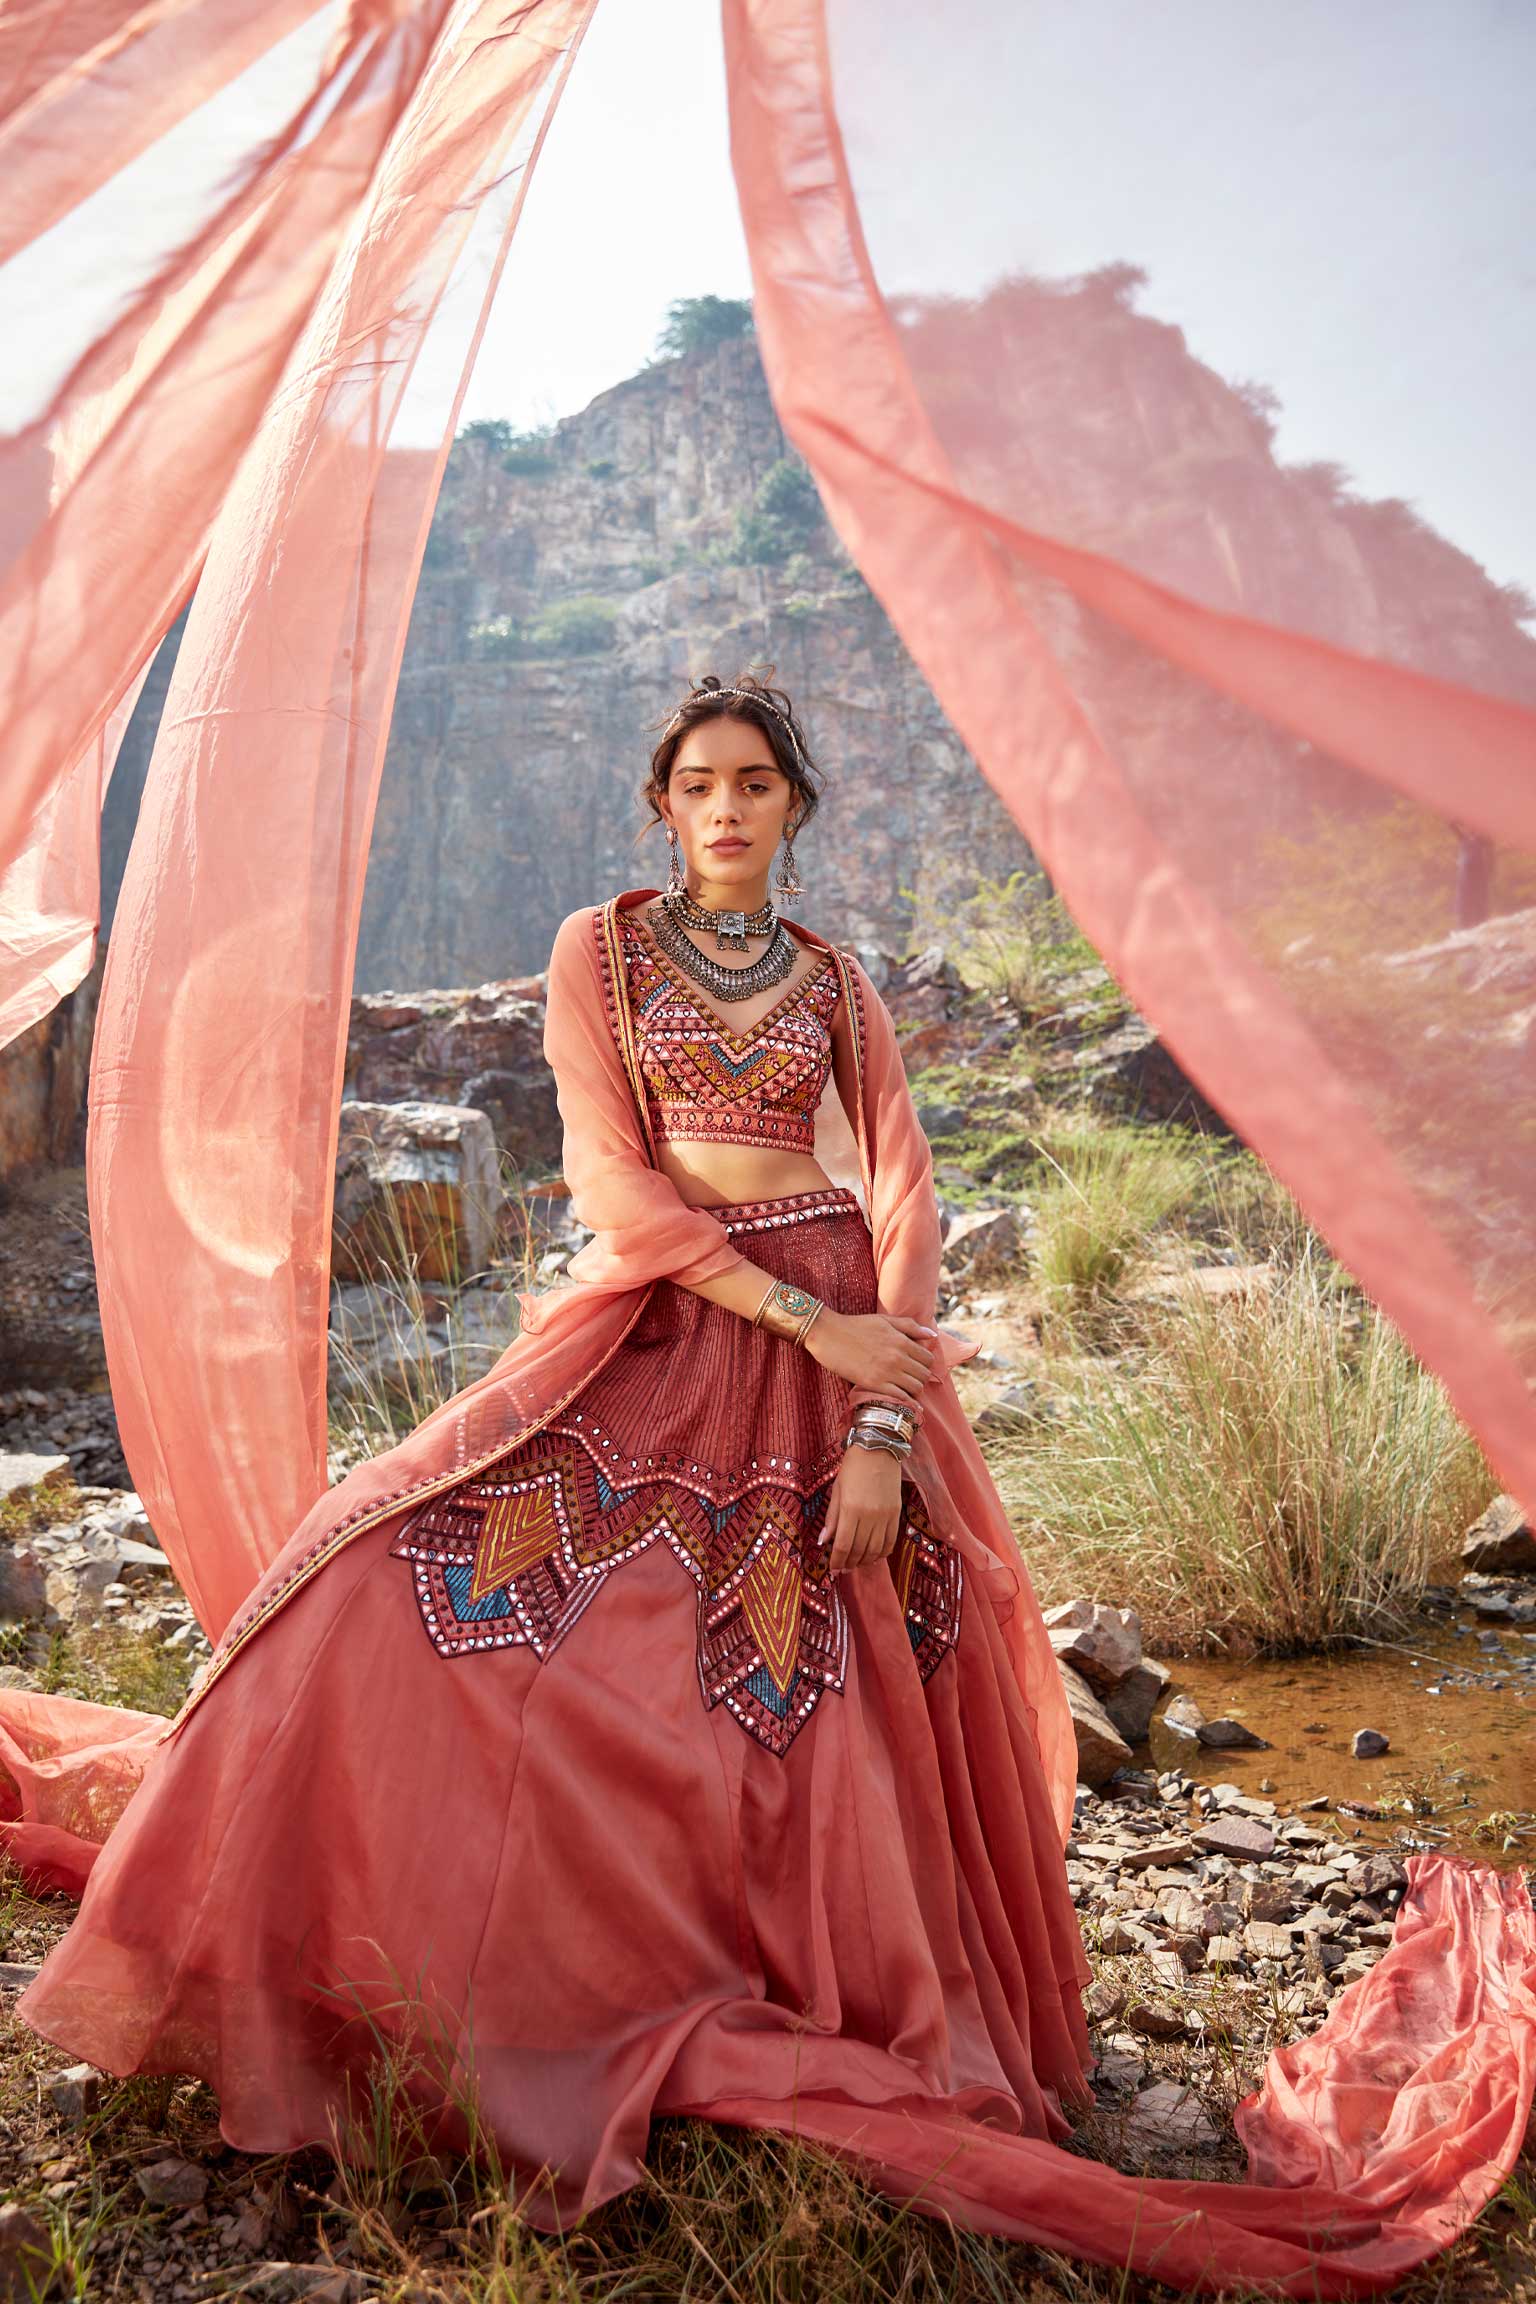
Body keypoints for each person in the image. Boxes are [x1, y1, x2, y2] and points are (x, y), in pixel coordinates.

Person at [12, 672, 1536, 2297]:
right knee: (374, 1561)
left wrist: (880, 1412)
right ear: (662, 807)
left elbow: (906, 1190)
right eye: (697, 784)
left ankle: (792, 1984)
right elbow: (611, 1177)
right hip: (672, 1316)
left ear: (793, 806)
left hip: (847, 1363)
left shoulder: (837, 983)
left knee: (829, 1666)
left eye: (754, 782)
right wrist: (803, 1314)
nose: (726, 807)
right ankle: (446, 1981)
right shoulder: (597, 951)